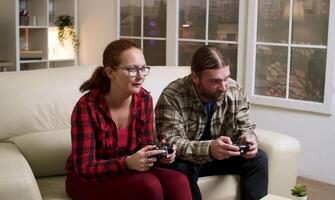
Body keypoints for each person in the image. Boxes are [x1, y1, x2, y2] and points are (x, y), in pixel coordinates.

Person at [65, 39, 192, 200]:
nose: (140, 76)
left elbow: (145, 142)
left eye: (143, 69)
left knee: (179, 181)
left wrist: (159, 154)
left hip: (129, 169)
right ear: (110, 72)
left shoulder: (144, 99)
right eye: (132, 69)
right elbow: (85, 167)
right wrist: (126, 163)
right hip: (87, 179)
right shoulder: (87, 108)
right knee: (149, 186)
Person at [155, 45, 268, 200]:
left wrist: (249, 138)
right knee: (177, 167)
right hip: (188, 160)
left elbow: (245, 127)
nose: (223, 87)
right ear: (195, 77)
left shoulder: (234, 90)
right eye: (215, 81)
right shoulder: (173, 95)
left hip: (221, 157)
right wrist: (209, 149)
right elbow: (171, 141)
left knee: (258, 158)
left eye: (226, 78)